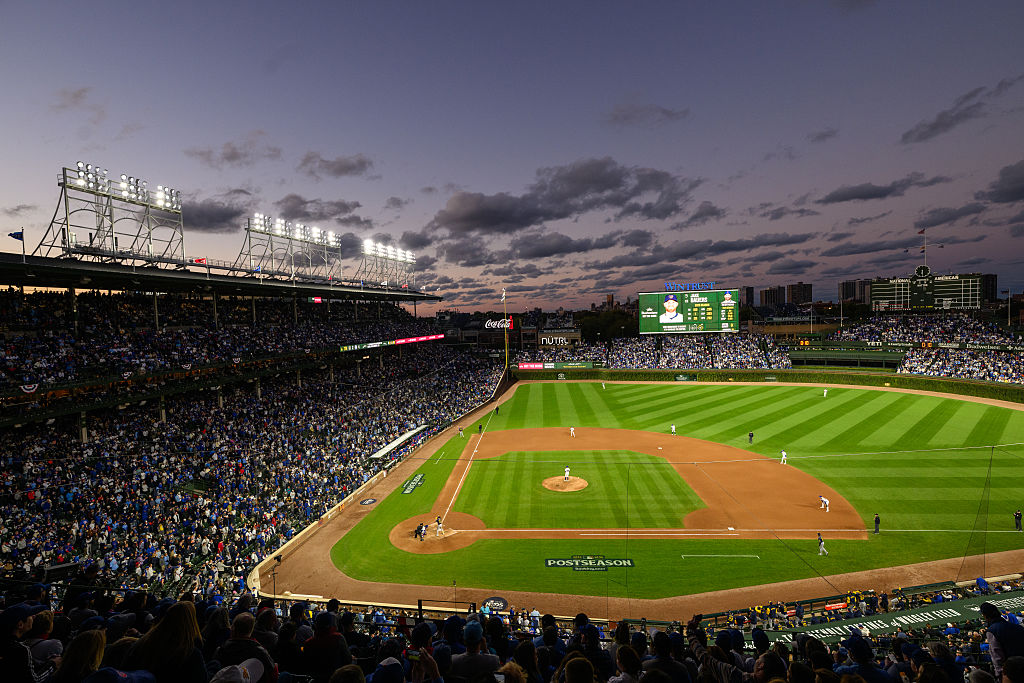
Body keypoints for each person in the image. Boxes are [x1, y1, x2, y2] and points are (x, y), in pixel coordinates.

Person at [981, 602, 1024, 679]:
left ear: (985, 616)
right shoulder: (1017, 627)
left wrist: (1000, 675)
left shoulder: (992, 631)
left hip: (1010, 673)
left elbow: (997, 657)